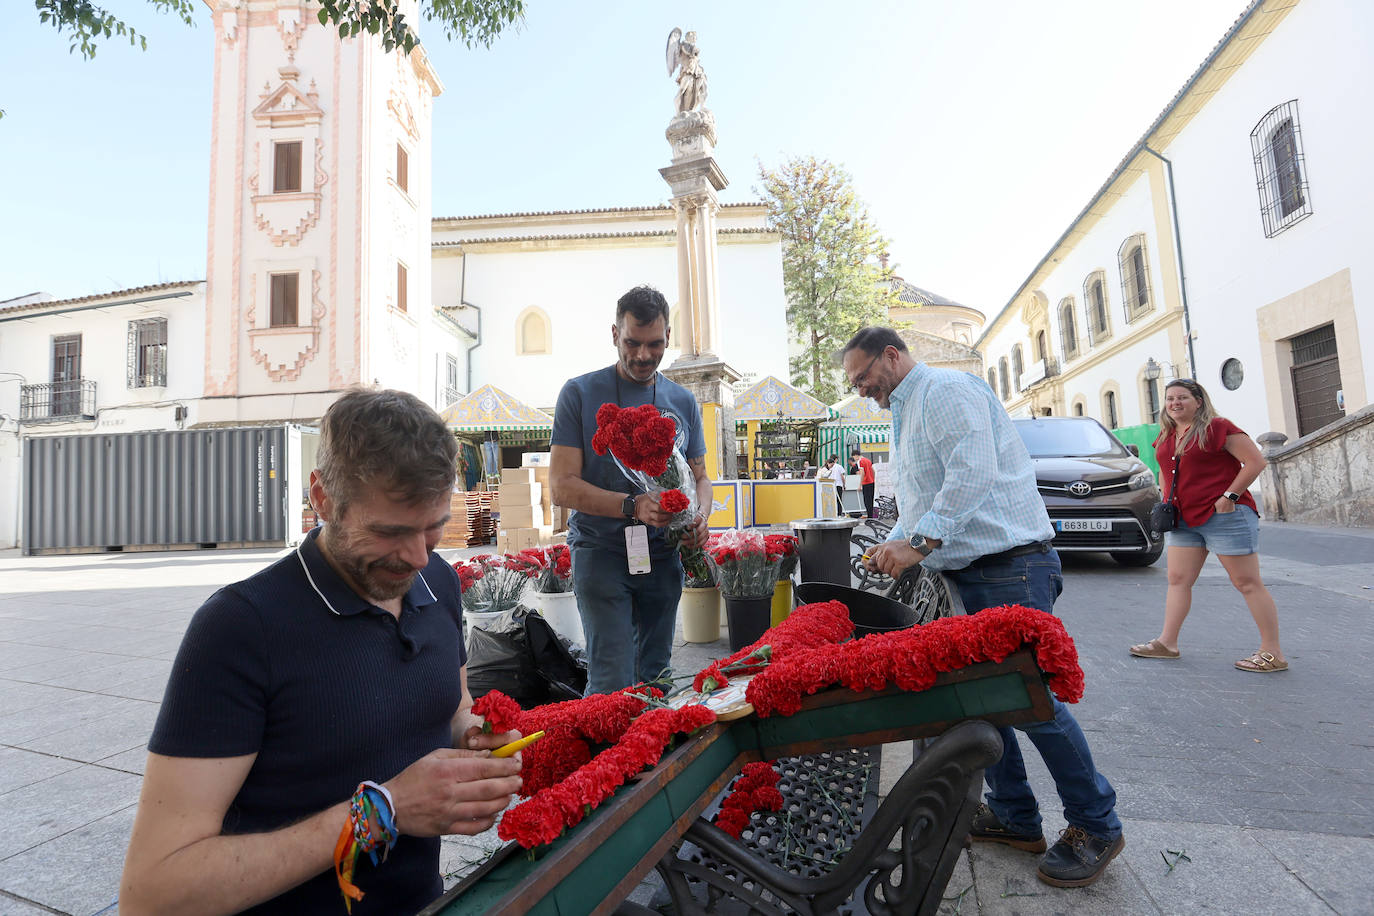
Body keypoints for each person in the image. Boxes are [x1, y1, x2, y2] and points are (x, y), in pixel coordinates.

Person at [119, 389, 523, 915]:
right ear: (323, 498)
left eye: (433, 527)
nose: (419, 556)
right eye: (389, 532)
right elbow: (153, 893)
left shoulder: (439, 582)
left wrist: (473, 738)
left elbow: (449, 707)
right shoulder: (242, 628)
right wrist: (385, 809)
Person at [844, 327, 1123, 889]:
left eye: (863, 376)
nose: (861, 388)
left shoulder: (945, 390)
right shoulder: (905, 409)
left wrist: (918, 546)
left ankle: (1097, 824)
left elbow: (971, 475)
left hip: (1010, 566)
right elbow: (926, 498)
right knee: (986, 701)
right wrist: (892, 541)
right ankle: (1016, 816)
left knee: (1031, 699)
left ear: (891, 355)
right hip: (971, 571)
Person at [550, 286, 711, 694]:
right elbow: (561, 487)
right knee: (611, 680)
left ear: (668, 338)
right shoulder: (579, 394)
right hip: (600, 553)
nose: (643, 355)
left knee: (656, 677)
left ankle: (655, 758)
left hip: (662, 558)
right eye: (632, 343)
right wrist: (632, 505)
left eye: (655, 344)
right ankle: (608, 758)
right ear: (614, 335)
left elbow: (701, 478)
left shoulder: (683, 401)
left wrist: (699, 518)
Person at [1130, 379, 1287, 672]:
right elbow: (1166, 473)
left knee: (1247, 583)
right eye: (1170, 399)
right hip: (1183, 518)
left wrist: (1230, 496)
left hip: (1224, 516)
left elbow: (1255, 462)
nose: (1175, 403)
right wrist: (1166, 501)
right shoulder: (1167, 433)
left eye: (1182, 398)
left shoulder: (1219, 427)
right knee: (1178, 580)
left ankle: (1273, 653)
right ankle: (1167, 643)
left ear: (1198, 401)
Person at [851, 448, 876, 517]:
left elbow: (862, 473)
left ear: (856, 455)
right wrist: (873, 479)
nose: (854, 459)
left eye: (854, 457)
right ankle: (871, 515)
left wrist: (860, 485)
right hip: (872, 482)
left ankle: (869, 516)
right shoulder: (868, 460)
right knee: (871, 499)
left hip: (866, 482)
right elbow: (873, 471)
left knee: (866, 500)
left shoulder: (860, 461)